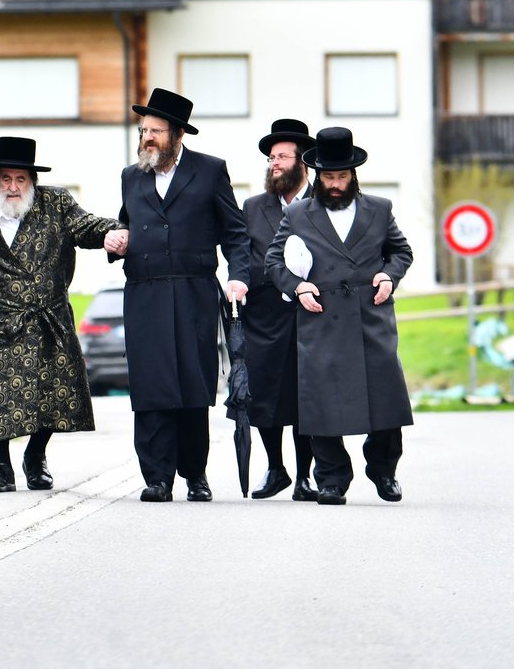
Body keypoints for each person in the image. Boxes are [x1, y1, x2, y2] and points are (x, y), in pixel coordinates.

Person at [105, 87, 251, 503]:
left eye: (155, 131)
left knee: (191, 385)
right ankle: (156, 478)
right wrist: (116, 240)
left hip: (193, 293)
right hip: (145, 296)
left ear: (178, 134)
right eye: (143, 129)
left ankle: (194, 474)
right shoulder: (131, 176)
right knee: (151, 388)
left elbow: (236, 233)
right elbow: (128, 223)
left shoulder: (209, 171)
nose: (146, 137)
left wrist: (238, 276)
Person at [0, 136, 118, 493]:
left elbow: (86, 225)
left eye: (20, 180)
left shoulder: (55, 203)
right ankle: (0, 468)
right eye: (5, 179)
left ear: (32, 181)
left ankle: (36, 456)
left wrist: (112, 233)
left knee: (52, 394)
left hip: (45, 319)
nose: (12, 188)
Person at [265, 125, 413, 505]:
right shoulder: (298, 214)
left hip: (371, 317)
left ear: (353, 175)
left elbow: (401, 252)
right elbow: (274, 261)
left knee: (386, 402)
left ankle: (384, 470)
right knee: (321, 403)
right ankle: (331, 479)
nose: (334, 184)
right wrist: (297, 287)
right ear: (317, 175)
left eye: (341, 176)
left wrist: (388, 275)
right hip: (321, 317)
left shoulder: (379, 209)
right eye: (327, 177)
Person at [242, 117, 316, 501]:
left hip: (311, 313)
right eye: (271, 157)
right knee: (264, 392)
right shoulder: (254, 206)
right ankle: (276, 468)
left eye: (282, 156)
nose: (274, 164)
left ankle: (306, 475)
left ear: (302, 162)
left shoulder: (322, 204)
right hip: (264, 313)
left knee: (305, 393)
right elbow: (242, 252)